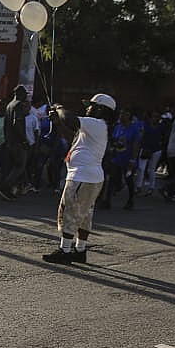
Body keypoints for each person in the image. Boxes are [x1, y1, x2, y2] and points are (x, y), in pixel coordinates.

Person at [42, 93, 114, 264]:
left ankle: (65, 251)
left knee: (69, 211)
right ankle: (80, 250)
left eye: (90, 105)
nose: (87, 108)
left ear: (99, 109)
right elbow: (72, 137)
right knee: (84, 216)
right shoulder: (96, 126)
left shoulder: (95, 123)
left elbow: (69, 118)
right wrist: (58, 123)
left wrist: (59, 108)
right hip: (91, 177)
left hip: (82, 176)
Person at [102, 107, 140, 210]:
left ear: (128, 115)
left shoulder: (134, 128)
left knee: (129, 179)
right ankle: (107, 201)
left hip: (128, 158)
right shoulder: (118, 127)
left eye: (123, 114)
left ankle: (131, 200)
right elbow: (113, 139)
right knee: (112, 179)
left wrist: (133, 159)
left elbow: (136, 144)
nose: (120, 116)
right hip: (116, 157)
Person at [0, 85, 30, 200]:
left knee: (13, 166)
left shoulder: (9, 105)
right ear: (20, 93)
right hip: (17, 141)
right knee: (19, 166)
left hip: (9, 141)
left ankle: (12, 188)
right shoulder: (18, 105)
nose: (26, 96)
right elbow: (17, 123)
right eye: (25, 93)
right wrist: (24, 140)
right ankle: (5, 187)